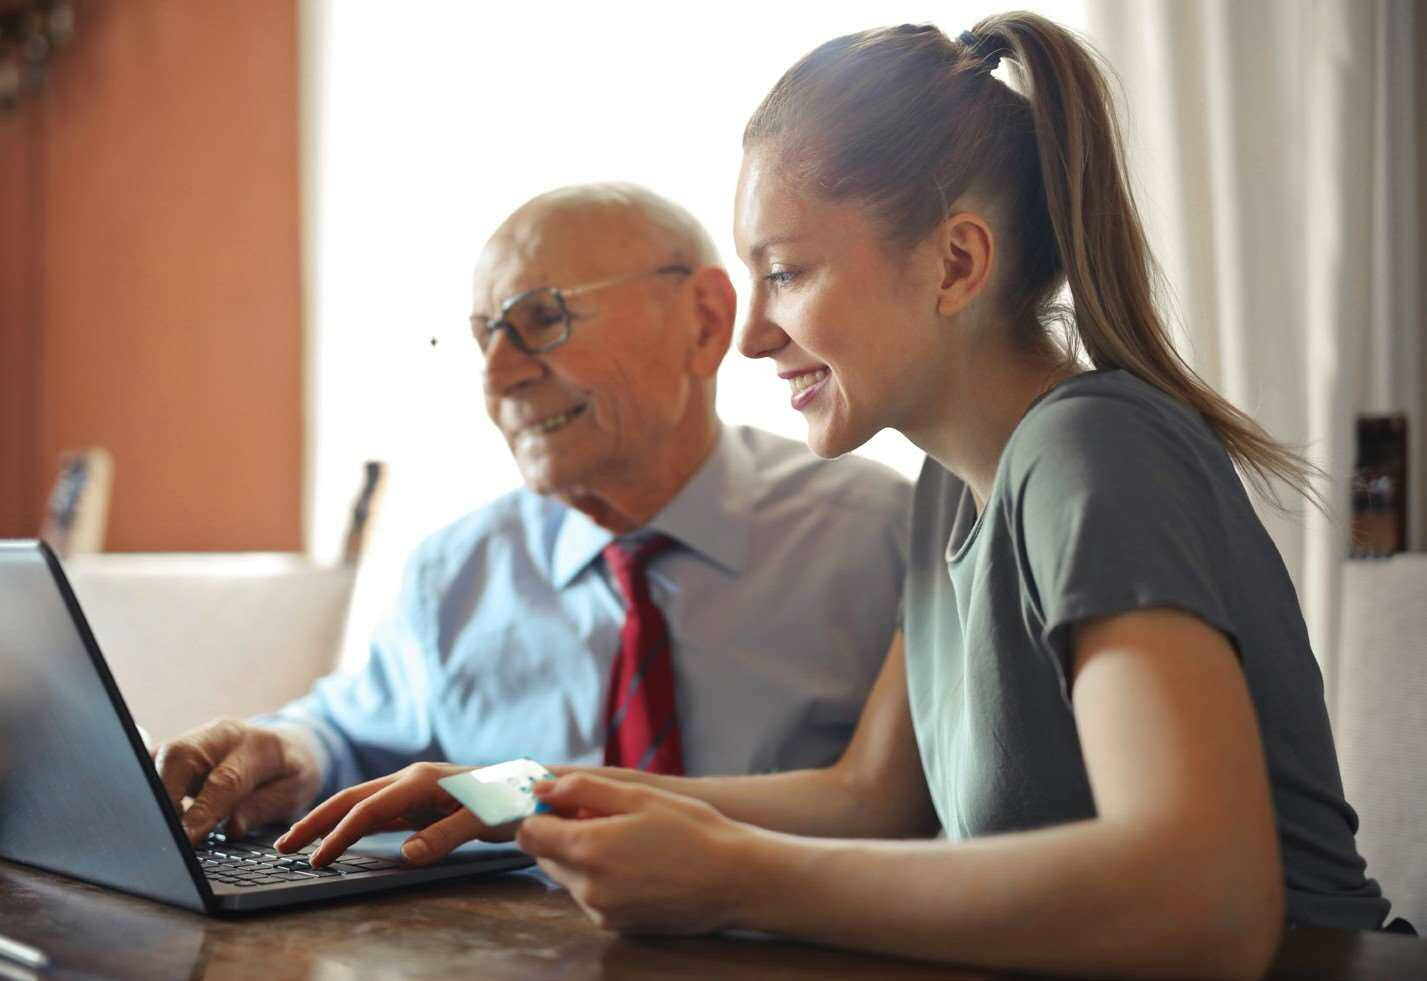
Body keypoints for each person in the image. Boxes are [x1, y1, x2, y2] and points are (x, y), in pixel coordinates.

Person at [277, 15, 1401, 978]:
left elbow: (1203, 901)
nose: (755, 333)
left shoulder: (1090, 453)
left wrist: (734, 878)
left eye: (788, 271)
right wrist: (519, 793)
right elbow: (873, 797)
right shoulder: (949, 494)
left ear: (956, 265)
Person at [152, 183, 910, 850]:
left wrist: (511, 791)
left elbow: (908, 810)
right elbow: (352, 735)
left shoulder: (881, 535)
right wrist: (290, 751)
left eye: (541, 319)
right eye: (486, 335)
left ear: (705, 321)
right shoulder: (456, 569)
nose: (497, 377)